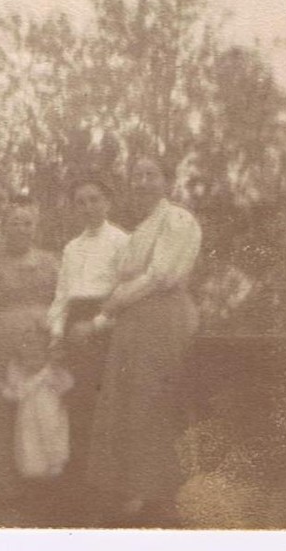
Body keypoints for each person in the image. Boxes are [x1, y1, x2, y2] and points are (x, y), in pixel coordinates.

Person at [83, 157, 202, 523]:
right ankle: (138, 491)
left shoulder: (177, 219)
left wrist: (115, 303)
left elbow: (161, 275)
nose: (144, 182)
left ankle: (165, 494)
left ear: (166, 181)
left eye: (152, 175)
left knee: (157, 402)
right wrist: (109, 315)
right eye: (138, 176)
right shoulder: (140, 230)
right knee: (131, 405)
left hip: (163, 319)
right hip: (134, 326)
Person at [47, 177, 128, 484]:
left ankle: (106, 484)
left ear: (107, 203)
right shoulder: (72, 247)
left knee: (102, 406)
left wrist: (97, 325)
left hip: (103, 326)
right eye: (81, 202)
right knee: (73, 403)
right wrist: (56, 335)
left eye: (94, 200)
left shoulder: (121, 241)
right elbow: (62, 296)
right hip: (73, 325)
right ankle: (78, 483)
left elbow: (122, 294)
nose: (88, 207)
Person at [0, 196, 60, 500]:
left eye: (27, 222)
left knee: (43, 410)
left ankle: (43, 483)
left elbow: (61, 302)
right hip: (2, 344)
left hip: (42, 346)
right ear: (4, 227)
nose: (21, 229)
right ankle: (6, 482)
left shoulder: (50, 262)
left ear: (35, 227)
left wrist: (56, 343)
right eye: (14, 222)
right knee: (1, 411)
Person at [0, 308, 73, 480]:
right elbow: (14, 394)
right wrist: (2, 385)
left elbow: (66, 384)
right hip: (28, 416)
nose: (31, 350)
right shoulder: (17, 370)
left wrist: (51, 374)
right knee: (31, 444)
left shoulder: (52, 369)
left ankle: (56, 470)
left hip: (50, 411)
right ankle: (36, 477)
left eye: (36, 344)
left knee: (53, 434)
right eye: (26, 343)